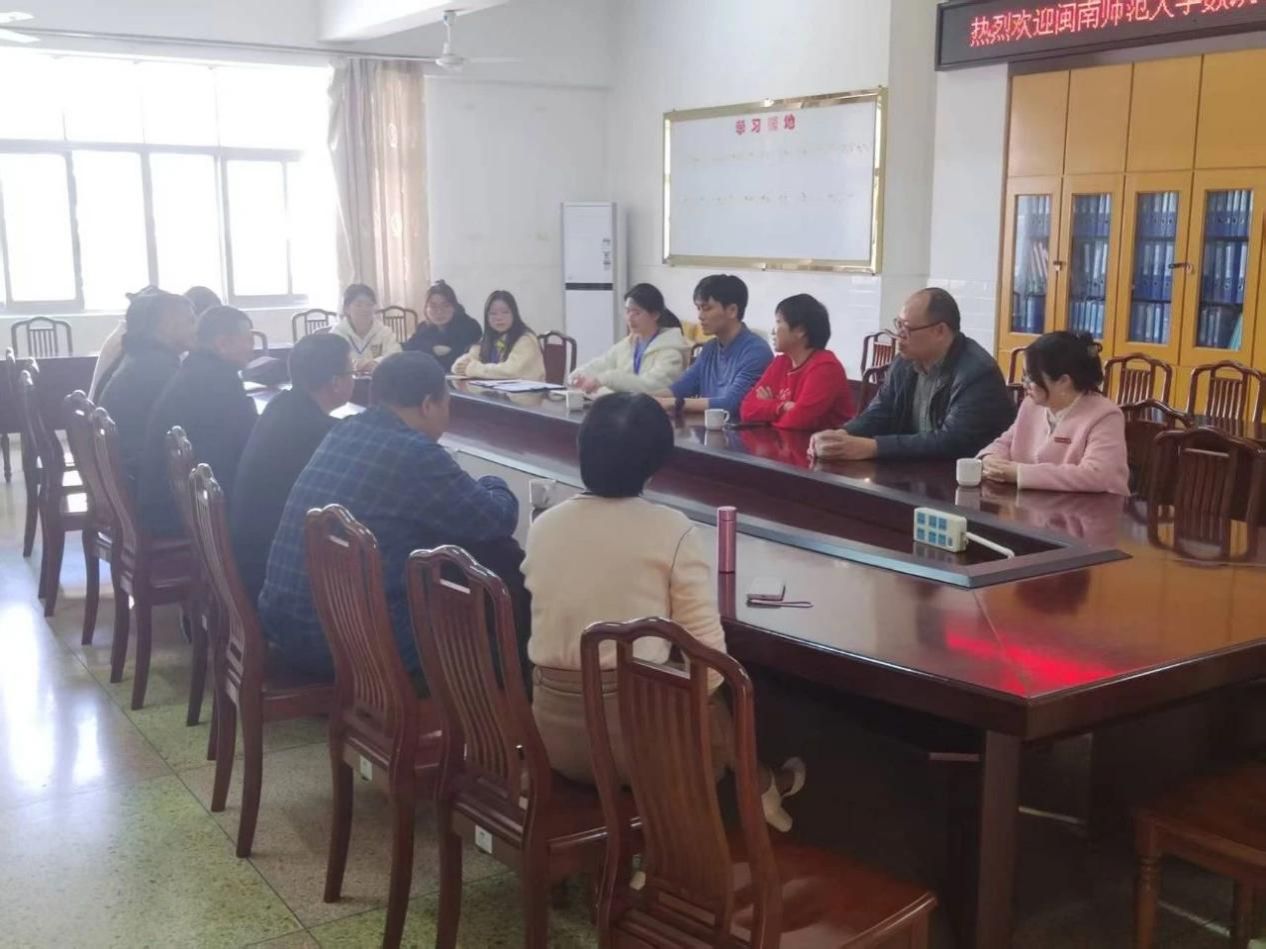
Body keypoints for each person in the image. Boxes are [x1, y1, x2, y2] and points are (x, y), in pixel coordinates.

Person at [524, 393, 804, 830]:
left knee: (668, 675)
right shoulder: (670, 530)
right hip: (637, 752)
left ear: (581, 450)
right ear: (655, 464)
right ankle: (752, 789)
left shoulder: (543, 526)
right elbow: (712, 667)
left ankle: (758, 785)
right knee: (708, 691)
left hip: (552, 739)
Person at [259, 351, 523, 683]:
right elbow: (496, 519)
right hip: (344, 644)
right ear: (428, 405)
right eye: (447, 405)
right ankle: (513, 703)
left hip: (288, 622)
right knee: (492, 588)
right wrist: (494, 482)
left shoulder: (345, 430)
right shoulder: (414, 453)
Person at [809, 288, 1015, 462]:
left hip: (966, 480)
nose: (899, 336)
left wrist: (874, 447)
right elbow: (881, 411)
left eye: (907, 329)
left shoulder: (977, 373)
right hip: (915, 471)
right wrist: (842, 434)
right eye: (898, 325)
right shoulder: (904, 363)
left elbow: (952, 441)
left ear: (940, 331)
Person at [230, 334, 356, 604]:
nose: (353, 379)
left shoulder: (281, 405)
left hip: (247, 557)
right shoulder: (319, 432)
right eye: (351, 373)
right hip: (271, 573)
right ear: (335, 382)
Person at [138, 306, 258, 537]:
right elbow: (248, 447)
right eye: (248, 340)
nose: (251, 349)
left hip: (167, 500)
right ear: (222, 343)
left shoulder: (196, 369)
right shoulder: (218, 381)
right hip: (180, 512)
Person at [978, 331, 1129, 494]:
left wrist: (1020, 473)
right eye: (1024, 376)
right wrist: (990, 458)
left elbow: (1096, 474)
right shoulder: (1031, 405)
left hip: (1094, 507)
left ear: (1064, 381)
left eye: (1031, 377)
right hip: (1037, 504)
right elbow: (1005, 442)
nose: (1024, 384)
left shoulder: (1105, 415)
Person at [98, 289, 197, 486]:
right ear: (168, 326)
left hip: (128, 471)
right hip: (145, 481)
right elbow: (189, 427)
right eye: (191, 321)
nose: (197, 329)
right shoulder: (158, 369)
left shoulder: (142, 358)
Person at [654, 274, 772, 417]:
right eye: (698, 308)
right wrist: (645, 398)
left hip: (737, 429)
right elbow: (681, 388)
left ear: (732, 310)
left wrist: (673, 403)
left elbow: (730, 404)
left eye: (707, 308)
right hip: (707, 428)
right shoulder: (709, 348)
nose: (700, 316)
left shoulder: (757, 351)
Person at [739, 293, 854, 431]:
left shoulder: (825, 367)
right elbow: (746, 409)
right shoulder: (781, 362)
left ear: (800, 330)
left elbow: (797, 423)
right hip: (783, 441)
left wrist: (768, 412)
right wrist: (782, 406)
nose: (773, 331)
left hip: (819, 443)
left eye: (778, 322)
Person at [569, 283, 690, 395]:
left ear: (655, 315)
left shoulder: (671, 352)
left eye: (637, 313)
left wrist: (607, 379)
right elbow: (602, 363)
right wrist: (579, 375)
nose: (630, 318)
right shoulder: (628, 343)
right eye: (628, 311)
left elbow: (652, 386)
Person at [451, 290, 546, 381]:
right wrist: (461, 365)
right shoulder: (490, 339)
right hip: (497, 391)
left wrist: (474, 368)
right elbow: (463, 363)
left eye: (505, 312)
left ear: (514, 314)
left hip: (528, 392)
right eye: (493, 313)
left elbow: (511, 372)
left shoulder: (526, 339)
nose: (499, 318)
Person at [402, 279, 482, 372]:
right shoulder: (423, 327)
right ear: (426, 308)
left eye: (446, 305)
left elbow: (455, 360)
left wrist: (427, 353)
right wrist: (432, 350)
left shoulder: (469, 327)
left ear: (454, 307)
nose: (439, 312)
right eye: (433, 306)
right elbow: (409, 349)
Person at [329, 283, 401, 372]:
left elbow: (396, 355)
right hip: (347, 379)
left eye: (369, 304)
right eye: (358, 305)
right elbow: (332, 360)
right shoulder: (337, 334)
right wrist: (355, 364)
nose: (365, 309)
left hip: (379, 377)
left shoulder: (384, 332)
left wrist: (376, 362)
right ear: (346, 309)